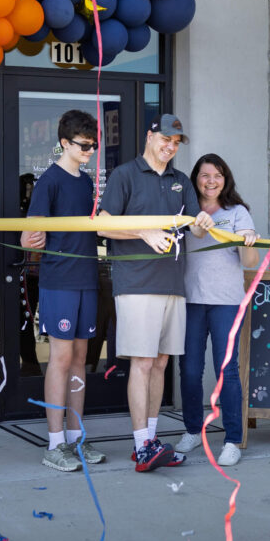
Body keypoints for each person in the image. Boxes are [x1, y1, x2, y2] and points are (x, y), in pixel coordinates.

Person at [98, 114, 214, 472]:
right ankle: (141, 443)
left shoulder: (181, 181)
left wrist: (204, 223)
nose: (171, 146)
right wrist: (145, 233)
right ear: (150, 136)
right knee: (143, 362)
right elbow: (103, 223)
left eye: (177, 142)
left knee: (162, 362)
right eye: (166, 138)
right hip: (136, 283)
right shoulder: (125, 175)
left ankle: (148, 441)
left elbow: (194, 230)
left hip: (173, 284)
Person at [20, 110, 106, 471]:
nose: (89, 151)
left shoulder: (86, 183)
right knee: (59, 358)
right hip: (58, 281)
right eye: (84, 146)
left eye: (93, 145)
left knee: (80, 361)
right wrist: (30, 236)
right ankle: (54, 444)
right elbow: (28, 234)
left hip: (87, 277)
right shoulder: (49, 181)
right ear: (64, 144)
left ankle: (75, 438)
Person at [174, 154, 258, 466]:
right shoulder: (186, 210)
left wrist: (248, 243)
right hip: (191, 300)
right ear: (195, 178)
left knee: (227, 371)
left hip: (226, 301)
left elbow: (250, 264)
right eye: (205, 175)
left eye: (218, 175)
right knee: (191, 370)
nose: (211, 181)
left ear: (226, 179)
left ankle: (233, 439)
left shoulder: (237, 212)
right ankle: (193, 431)